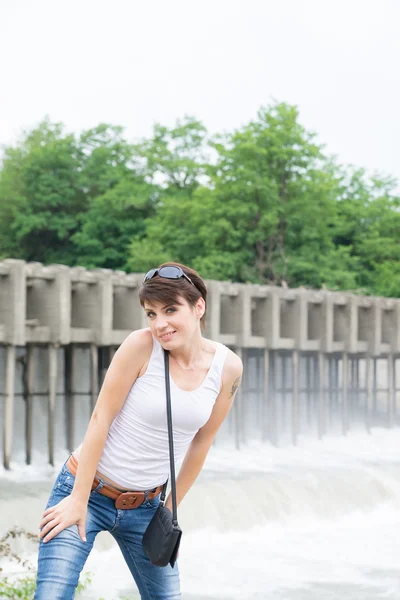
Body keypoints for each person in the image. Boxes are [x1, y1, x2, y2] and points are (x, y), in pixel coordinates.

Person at [34, 262, 243, 600]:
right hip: (86, 489)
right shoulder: (141, 346)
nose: (160, 324)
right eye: (151, 313)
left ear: (198, 306)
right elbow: (101, 418)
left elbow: (202, 442)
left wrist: (170, 510)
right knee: (52, 595)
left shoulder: (228, 369)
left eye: (170, 310)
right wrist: (77, 499)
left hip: (147, 507)